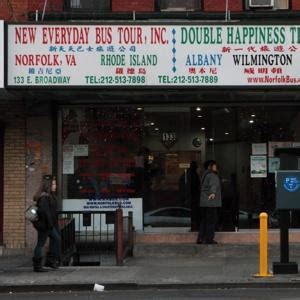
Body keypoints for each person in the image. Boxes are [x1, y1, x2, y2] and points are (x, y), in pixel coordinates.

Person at [32, 175, 61, 272]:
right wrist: (50, 224)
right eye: (53, 184)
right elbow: (46, 212)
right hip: (45, 225)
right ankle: (37, 265)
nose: (55, 186)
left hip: (48, 225)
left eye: (55, 184)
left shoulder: (50, 196)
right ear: (47, 185)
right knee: (40, 244)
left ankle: (50, 261)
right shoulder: (44, 197)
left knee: (56, 239)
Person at [197, 160, 222, 244]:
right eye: (215, 165)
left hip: (204, 202)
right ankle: (209, 239)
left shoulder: (204, 175)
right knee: (211, 221)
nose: (216, 167)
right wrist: (213, 193)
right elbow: (213, 185)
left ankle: (200, 238)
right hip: (211, 203)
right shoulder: (212, 175)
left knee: (204, 221)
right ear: (210, 166)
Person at [179, 161, 201, 231]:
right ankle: (193, 227)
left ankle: (193, 227)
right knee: (192, 214)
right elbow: (190, 187)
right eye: (195, 167)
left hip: (191, 198)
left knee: (192, 214)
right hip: (191, 198)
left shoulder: (188, 174)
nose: (196, 168)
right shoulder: (190, 175)